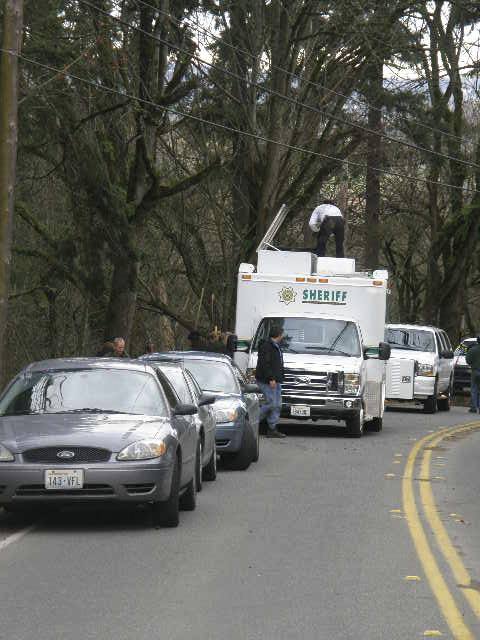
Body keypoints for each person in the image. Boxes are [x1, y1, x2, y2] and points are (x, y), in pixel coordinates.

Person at [255, 325, 286, 438]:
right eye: (282, 334)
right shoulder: (266, 346)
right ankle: (250, 422)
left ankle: (272, 429)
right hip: (267, 380)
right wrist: (271, 378)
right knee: (271, 403)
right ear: (278, 334)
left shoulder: (276, 346)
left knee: (277, 405)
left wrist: (279, 377)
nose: (283, 336)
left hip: (276, 380)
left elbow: (277, 363)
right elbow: (265, 364)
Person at [466, 336, 480, 412]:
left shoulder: (472, 350)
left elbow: (468, 360)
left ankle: (473, 408)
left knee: (474, 389)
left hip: (475, 371)